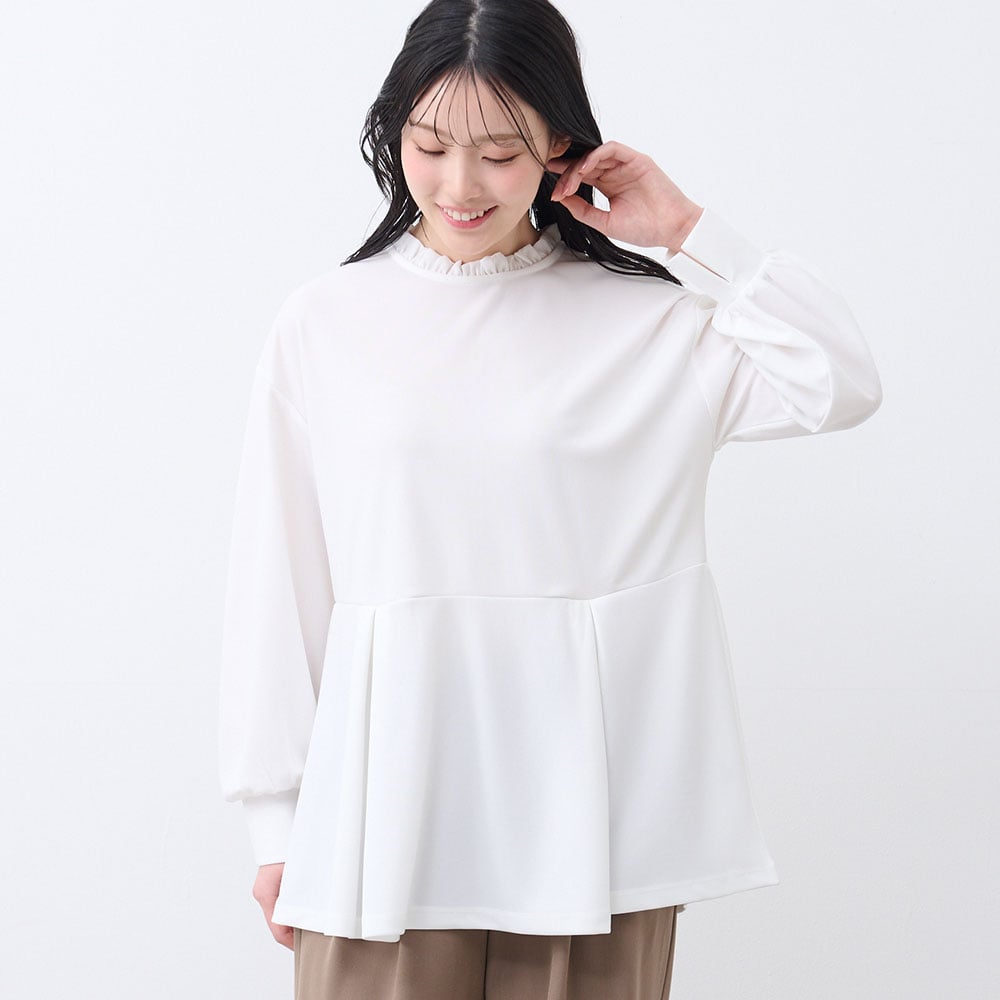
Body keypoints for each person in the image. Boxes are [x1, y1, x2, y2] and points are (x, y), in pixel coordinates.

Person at [218, 0, 883, 997]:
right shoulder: (326, 321)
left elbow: (841, 381)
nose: (458, 185)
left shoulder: (648, 326)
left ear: (560, 149)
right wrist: (275, 822)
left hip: (597, 828)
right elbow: (280, 578)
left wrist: (688, 233)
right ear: (393, 134)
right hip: (379, 814)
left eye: (499, 153)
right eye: (429, 146)